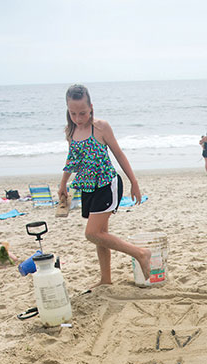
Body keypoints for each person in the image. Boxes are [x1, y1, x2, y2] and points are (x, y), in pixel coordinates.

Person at [58, 83, 150, 286]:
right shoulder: (71, 130)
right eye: (73, 113)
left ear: (91, 106)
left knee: (92, 233)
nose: (78, 118)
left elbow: (119, 154)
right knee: (101, 236)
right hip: (88, 188)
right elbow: (72, 160)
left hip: (107, 184)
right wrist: (63, 184)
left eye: (82, 113)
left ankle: (140, 253)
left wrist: (134, 182)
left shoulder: (101, 127)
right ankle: (106, 280)